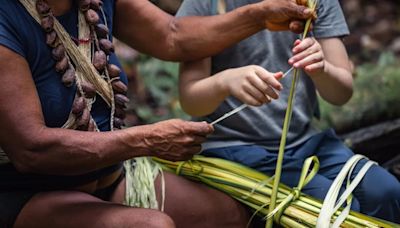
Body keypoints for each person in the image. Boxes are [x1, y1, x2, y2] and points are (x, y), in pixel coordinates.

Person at [0, 0, 316, 227]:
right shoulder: (7, 17)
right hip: (27, 194)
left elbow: (173, 35)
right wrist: (147, 140)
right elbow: (31, 148)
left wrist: (258, 15)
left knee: (236, 215)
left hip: (109, 177)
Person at [177, 0, 400, 223]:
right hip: (232, 147)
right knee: (330, 205)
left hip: (306, 142)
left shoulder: (313, 2)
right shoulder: (205, 4)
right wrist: (224, 82)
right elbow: (190, 100)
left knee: (386, 192)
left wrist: (321, 69)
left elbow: (341, 94)